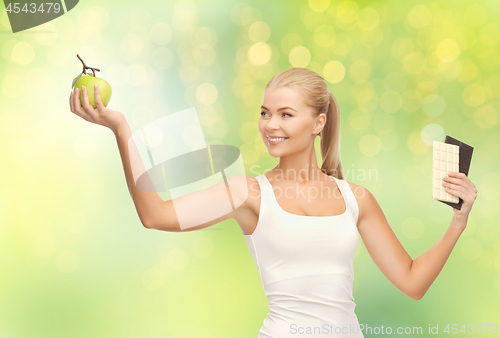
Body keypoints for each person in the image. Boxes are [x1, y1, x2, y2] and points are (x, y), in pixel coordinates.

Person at [69, 68, 477, 338]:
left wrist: (457, 222)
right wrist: (121, 129)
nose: (271, 125)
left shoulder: (357, 199)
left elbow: (411, 282)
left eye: (285, 114)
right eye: (266, 113)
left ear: (318, 123)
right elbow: (155, 215)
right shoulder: (247, 193)